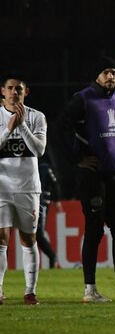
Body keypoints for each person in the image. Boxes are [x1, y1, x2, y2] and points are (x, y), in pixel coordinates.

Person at [55, 44, 115, 302]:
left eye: (113, 72)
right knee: (95, 230)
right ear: (97, 76)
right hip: (93, 176)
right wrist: (76, 159)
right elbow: (59, 129)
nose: (110, 76)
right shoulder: (83, 98)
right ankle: (90, 290)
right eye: (106, 73)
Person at [0, 75, 47, 305]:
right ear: (2, 91)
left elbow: (39, 150)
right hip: (2, 188)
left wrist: (22, 126)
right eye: (10, 88)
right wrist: (9, 130)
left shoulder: (37, 116)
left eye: (18, 88)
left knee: (28, 239)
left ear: (25, 92)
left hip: (28, 188)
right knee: (1, 238)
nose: (14, 92)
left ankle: (30, 292)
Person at [37, 158, 62, 269]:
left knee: (39, 234)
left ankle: (53, 257)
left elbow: (55, 183)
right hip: (28, 200)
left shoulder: (45, 167)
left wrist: (57, 200)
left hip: (41, 203)